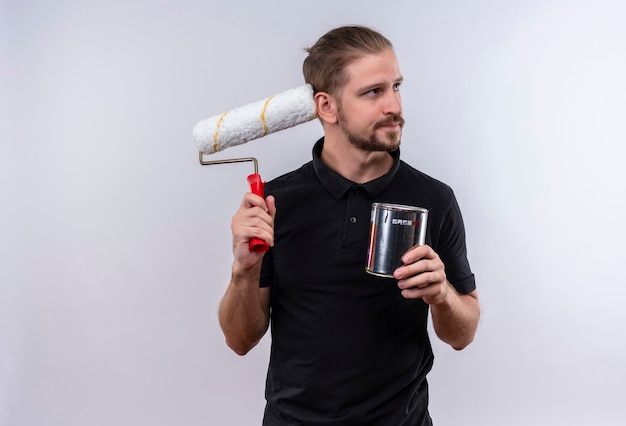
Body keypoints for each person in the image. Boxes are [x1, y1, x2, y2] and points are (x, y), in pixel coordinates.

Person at [218, 25, 480, 425]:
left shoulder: (433, 199)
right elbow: (239, 340)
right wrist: (244, 270)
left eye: (396, 86)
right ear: (327, 106)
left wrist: (442, 294)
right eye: (373, 92)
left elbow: (463, 334)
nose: (394, 105)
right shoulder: (276, 201)